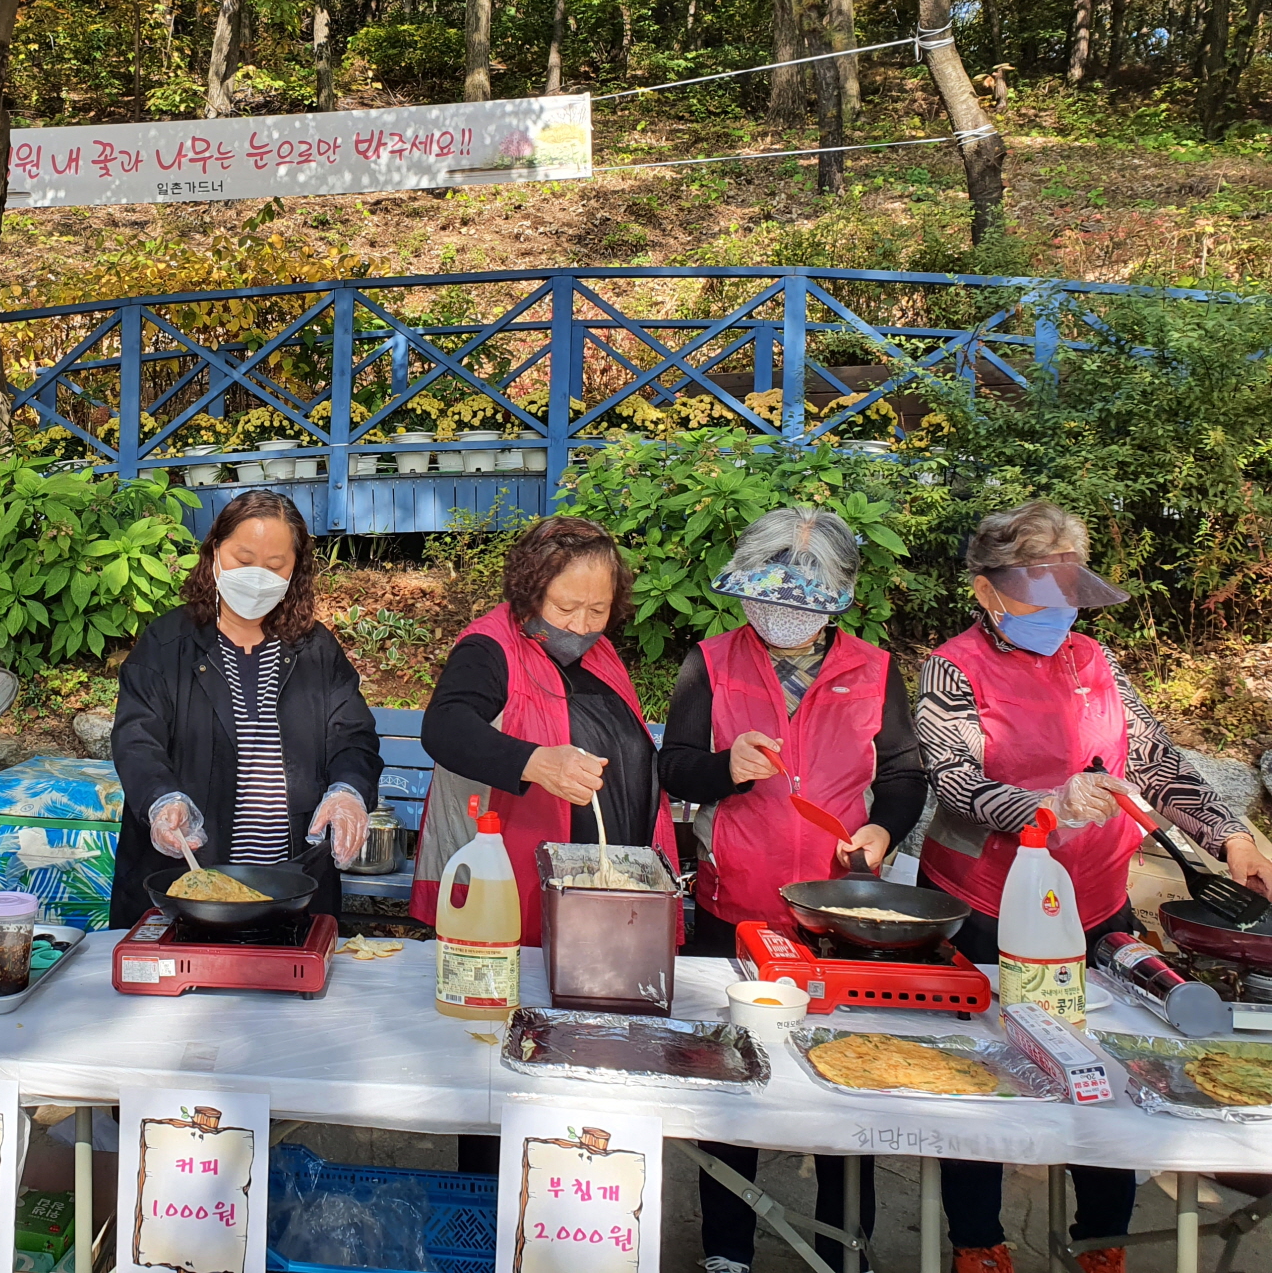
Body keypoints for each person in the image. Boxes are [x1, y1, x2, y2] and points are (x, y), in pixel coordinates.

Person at [917, 500, 1272, 1273]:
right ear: (986, 593)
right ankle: (978, 1239)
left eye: (1066, 596)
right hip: (988, 900)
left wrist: (1231, 835)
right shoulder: (953, 666)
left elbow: (1156, 762)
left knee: (1109, 1063)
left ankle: (1099, 1241)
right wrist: (1044, 805)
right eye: (1033, 598)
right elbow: (954, 782)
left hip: (1096, 896)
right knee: (982, 1068)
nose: (1054, 614)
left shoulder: (1095, 662)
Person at [659, 507, 928, 1273]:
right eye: (766, 601)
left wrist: (881, 831)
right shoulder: (709, 663)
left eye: (804, 606)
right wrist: (725, 768)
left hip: (843, 911)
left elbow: (905, 774)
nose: (783, 619)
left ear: (837, 601)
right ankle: (726, 1249)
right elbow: (674, 767)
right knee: (731, 1075)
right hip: (732, 905)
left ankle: (849, 1245)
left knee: (849, 1081)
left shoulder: (873, 670)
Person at [109, 490, 380, 927]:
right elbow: (137, 739)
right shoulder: (166, 643)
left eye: (275, 567)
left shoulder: (316, 649)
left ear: (295, 570)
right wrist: (162, 799)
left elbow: (354, 737)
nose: (257, 576)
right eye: (242, 558)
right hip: (189, 885)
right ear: (215, 552)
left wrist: (348, 791)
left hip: (293, 886)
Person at [414, 515, 677, 945]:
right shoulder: (488, 648)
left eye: (598, 609)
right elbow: (445, 727)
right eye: (565, 607)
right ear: (530, 590)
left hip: (609, 894)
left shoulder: (602, 651)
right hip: (510, 884)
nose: (580, 626)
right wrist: (535, 762)